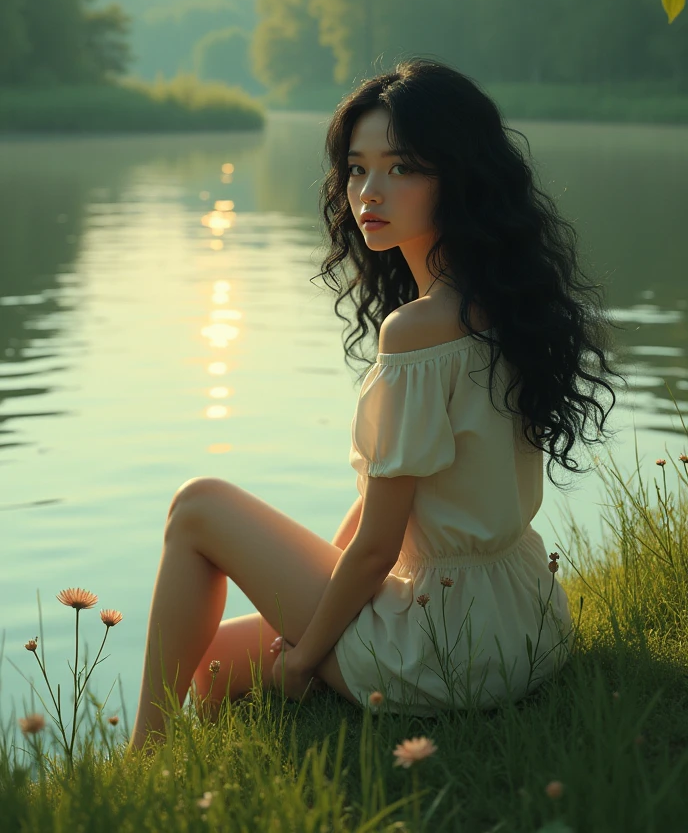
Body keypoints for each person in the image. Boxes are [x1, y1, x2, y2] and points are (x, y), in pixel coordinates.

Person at [128, 57, 626, 750]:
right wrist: (303, 596)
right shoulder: (514, 305)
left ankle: (141, 757)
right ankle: (195, 762)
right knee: (213, 667)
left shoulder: (420, 330)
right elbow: (391, 501)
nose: (370, 192)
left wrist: (304, 656)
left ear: (458, 176)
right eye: (357, 169)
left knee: (197, 505)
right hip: (523, 624)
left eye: (401, 168)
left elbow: (377, 550)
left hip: (441, 649)